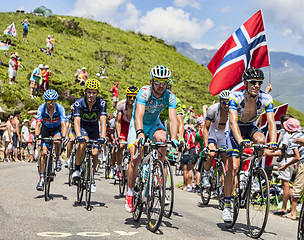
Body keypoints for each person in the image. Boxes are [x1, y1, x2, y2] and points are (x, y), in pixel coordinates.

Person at [223, 67, 278, 222]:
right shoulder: (235, 97)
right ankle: (227, 203)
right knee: (233, 167)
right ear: (245, 82)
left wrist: (273, 142)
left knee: (261, 141)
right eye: (253, 82)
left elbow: (271, 122)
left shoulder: (266, 98)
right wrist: (240, 141)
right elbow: (233, 122)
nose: (256, 85)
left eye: (259, 83)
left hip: (250, 127)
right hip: (235, 130)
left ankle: (252, 173)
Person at [125, 65, 180, 212]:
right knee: (135, 158)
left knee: (163, 139)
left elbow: (173, 119)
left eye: (164, 82)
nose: (161, 86)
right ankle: (130, 193)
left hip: (155, 123)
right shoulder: (144, 93)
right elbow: (139, 115)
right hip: (139, 124)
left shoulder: (170, 96)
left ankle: (158, 173)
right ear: (151, 82)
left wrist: (174, 138)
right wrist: (140, 133)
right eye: (157, 82)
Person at [72, 79, 107, 193]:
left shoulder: (101, 103)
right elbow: (76, 121)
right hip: (83, 127)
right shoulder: (79, 103)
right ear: (85, 92)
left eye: (94, 92)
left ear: (97, 93)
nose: (91, 95)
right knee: (83, 142)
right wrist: (78, 135)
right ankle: (77, 169)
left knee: (95, 153)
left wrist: (102, 136)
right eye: (89, 92)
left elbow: (102, 121)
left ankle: (91, 178)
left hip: (94, 129)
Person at [35, 89, 67, 191]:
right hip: (46, 129)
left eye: (52, 101)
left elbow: (63, 124)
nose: (50, 104)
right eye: (48, 101)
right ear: (45, 101)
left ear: (55, 101)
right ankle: (41, 179)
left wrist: (64, 137)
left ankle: (57, 157)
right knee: (43, 153)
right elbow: (38, 124)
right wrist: (36, 135)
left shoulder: (60, 108)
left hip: (57, 129)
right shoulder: (41, 108)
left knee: (57, 141)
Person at [276, 118, 304, 220]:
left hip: (303, 164)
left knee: (296, 188)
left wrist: (285, 165)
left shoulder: (292, 139)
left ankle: (292, 213)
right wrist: (288, 155)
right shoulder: (301, 135)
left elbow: (297, 157)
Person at [266, 114, 294, 216]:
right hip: (290, 161)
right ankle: (291, 206)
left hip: (285, 161)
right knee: (288, 184)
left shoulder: (286, 135)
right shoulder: (292, 134)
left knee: (285, 184)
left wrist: (269, 153)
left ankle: (283, 208)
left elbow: (283, 152)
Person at [202, 90, 230, 187]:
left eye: (228, 103)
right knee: (212, 154)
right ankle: (205, 175)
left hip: (223, 134)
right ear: (220, 101)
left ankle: (219, 175)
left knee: (225, 156)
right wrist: (206, 145)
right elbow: (205, 128)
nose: (226, 105)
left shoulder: (232, 110)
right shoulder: (213, 109)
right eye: (224, 102)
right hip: (213, 132)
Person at [114, 86, 139, 180]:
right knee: (120, 146)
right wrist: (119, 135)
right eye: (130, 97)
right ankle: (119, 169)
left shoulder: (140, 105)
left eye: (134, 97)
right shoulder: (121, 104)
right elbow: (118, 121)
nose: (132, 99)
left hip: (135, 126)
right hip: (124, 126)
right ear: (126, 96)